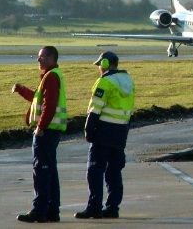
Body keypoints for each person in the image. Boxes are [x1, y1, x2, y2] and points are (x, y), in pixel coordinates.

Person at [75, 51, 135, 219]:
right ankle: (112, 207)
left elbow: (95, 108)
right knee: (114, 171)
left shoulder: (105, 82)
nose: (99, 68)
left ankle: (94, 207)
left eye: (100, 64)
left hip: (104, 132)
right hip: (121, 132)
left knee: (94, 170)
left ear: (106, 64)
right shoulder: (128, 80)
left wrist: (88, 129)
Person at [13, 46, 68, 223]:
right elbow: (39, 98)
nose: (39, 60)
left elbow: (49, 105)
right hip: (52, 131)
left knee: (42, 171)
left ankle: (40, 210)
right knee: (50, 171)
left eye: (42, 57)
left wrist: (40, 127)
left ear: (52, 58)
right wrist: (21, 90)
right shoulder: (51, 75)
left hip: (47, 131)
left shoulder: (51, 77)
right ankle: (52, 211)